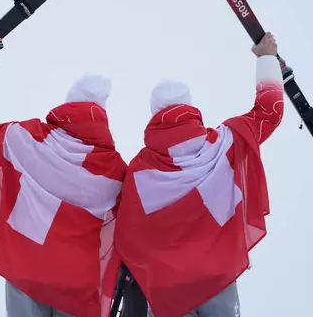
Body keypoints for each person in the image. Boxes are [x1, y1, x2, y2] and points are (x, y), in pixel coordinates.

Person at [0, 32, 128, 317]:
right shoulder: (116, 171)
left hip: (24, 271)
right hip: (77, 287)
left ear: (66, 107)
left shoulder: (25, 138)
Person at [113, 32, 284, 317]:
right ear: (190, 107)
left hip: (168, 291)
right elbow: (269, 113)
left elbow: (126, 236)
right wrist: (267, 59)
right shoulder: (225, 143)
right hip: (218, 281)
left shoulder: (141, 170)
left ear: (154, 113)